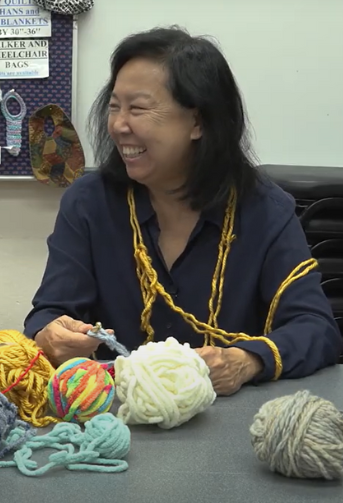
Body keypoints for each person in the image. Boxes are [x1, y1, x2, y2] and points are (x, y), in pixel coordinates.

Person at [24, 26, 342, 395]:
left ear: (197, 121)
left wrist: (247, 361)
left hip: (229, 426)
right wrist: (51, 335)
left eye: (138, 109)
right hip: (116, 421)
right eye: (114, 107)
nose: (119, 125)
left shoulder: (265, 210)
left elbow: (317, 329)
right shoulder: (89, 203)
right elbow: (48, 313)